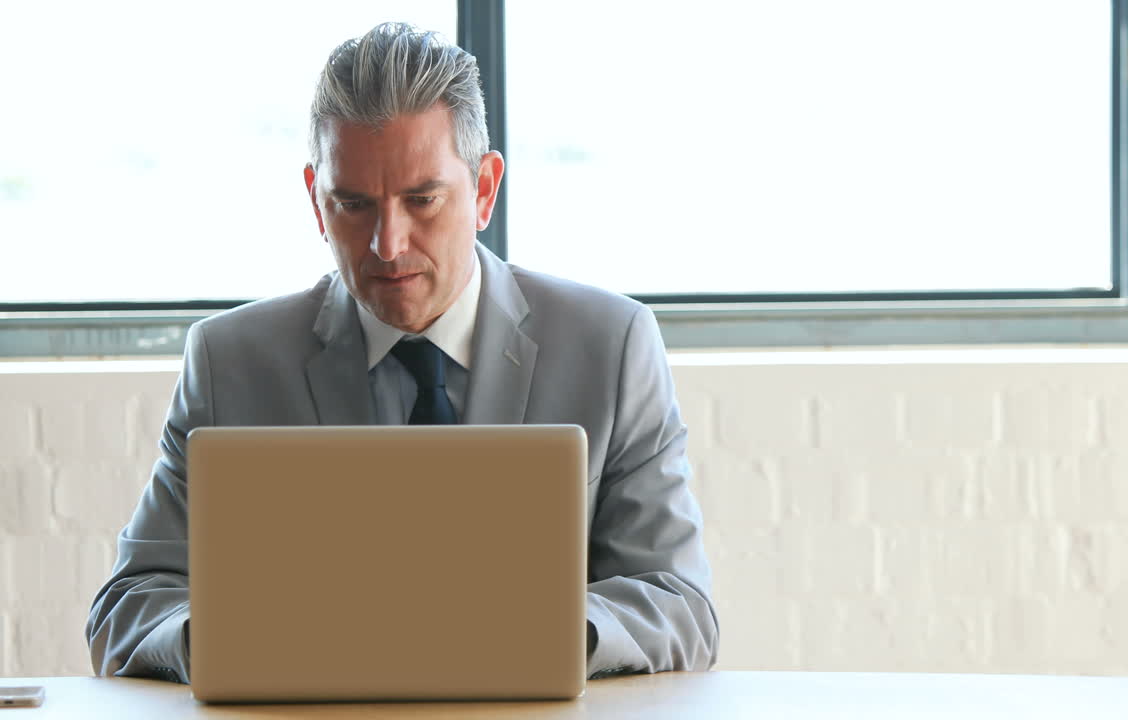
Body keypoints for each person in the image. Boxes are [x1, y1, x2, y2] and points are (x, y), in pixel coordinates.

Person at [85, 22, 718, 683]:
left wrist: (540, 634)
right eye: (353, 205)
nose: (388, 243)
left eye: (421, 200)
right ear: (314, 198)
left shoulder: (610, 347)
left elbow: (681, 605)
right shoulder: (230, 362)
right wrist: (238, 637)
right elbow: (126, 608)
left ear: (483, 190)